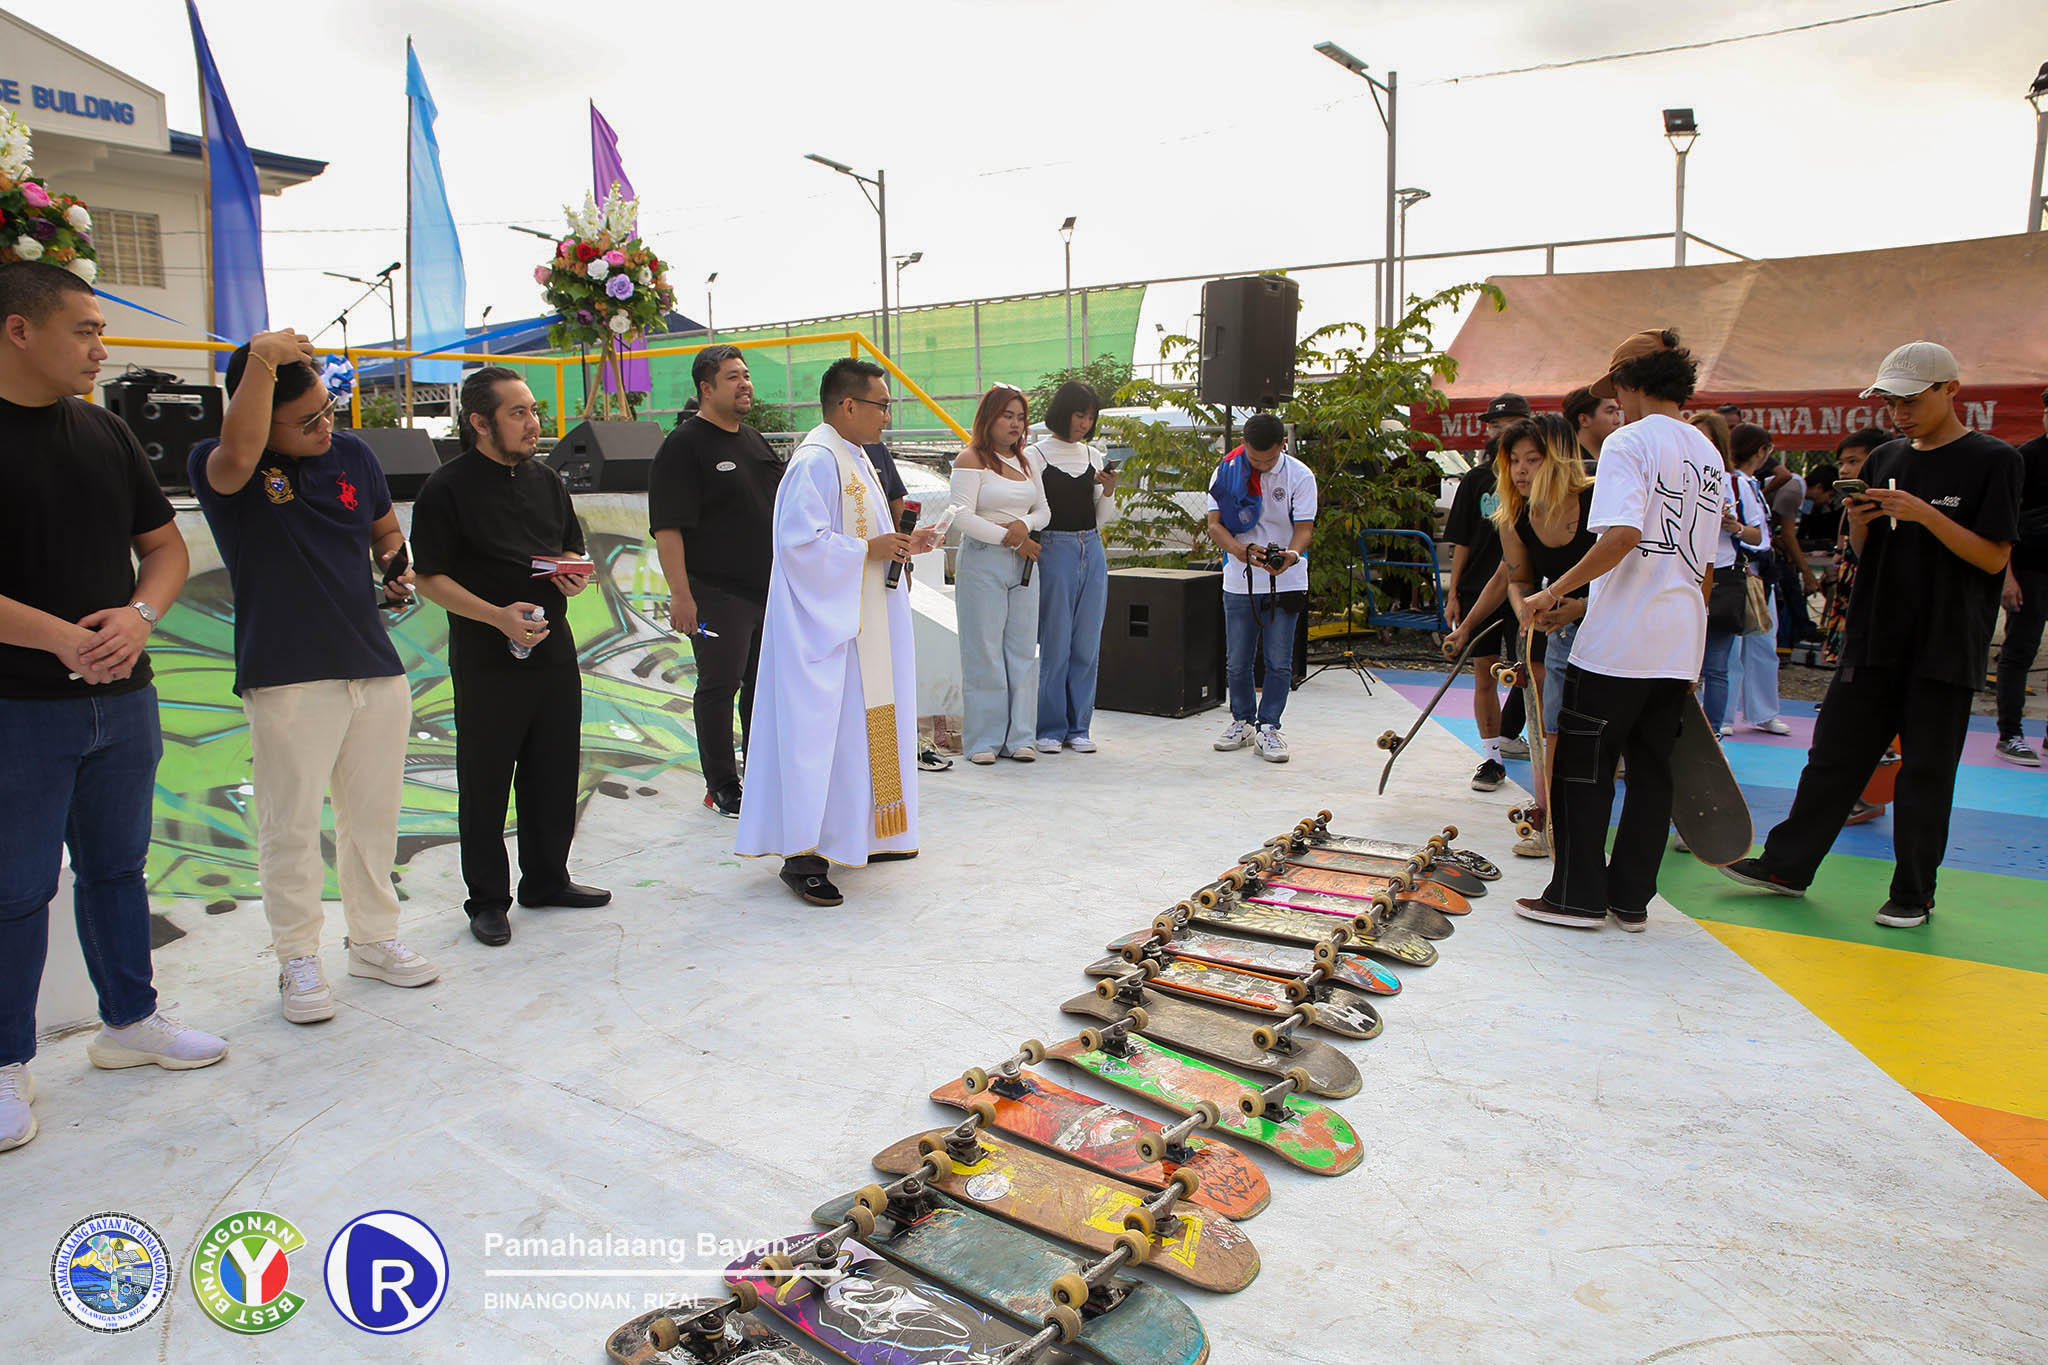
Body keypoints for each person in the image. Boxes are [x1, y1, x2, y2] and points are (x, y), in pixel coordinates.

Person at [0, 261, 226, 1153]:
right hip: (18, 705)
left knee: (117, 870)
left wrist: (139, 617)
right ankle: (7, 1059)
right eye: (84, 330)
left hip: (123, 699)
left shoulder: (105, 432)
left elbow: (164, 547)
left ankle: (129, 1020)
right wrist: (60, 637)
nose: (103, 347)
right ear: (20, 330)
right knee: (15, 890)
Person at [1723, 342, 2021, 927]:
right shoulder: (1885, 457)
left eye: (1911, 399)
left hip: (1945, 641)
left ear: (1949, 390)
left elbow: (1992, 558)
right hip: (1876, 634)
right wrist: (1862, 525)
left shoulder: (1994, 460)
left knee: (1927, 773)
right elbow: (1869, 553)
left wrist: (1926, 514)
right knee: (1833, 757)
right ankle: (1787, 865)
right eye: (1890, 400)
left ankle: (1914, 892)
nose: (1900, 411)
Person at [189, 331, 439, 1022]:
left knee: (374, 820)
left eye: (327, 410)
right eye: (305, 421)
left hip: (372, 664)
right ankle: (298, 955)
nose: (325, 427)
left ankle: (374, 938)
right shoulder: (224, 469)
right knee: (291, 824)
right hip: (287, 673)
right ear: (257, 412)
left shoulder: (353, 454)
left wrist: (395, 566)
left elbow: (387, 530)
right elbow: (236, 455)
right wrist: (262, 357)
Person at [1513, 329, 1722, 931]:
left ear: (1630, 383)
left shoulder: (1628, 442)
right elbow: (1704, 566)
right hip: (1677, 640)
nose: (1616, 405)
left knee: (1584, 766)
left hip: (1618, 645)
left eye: (1616, 391)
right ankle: (1630, 900)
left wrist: (1555, 591)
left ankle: (1576, 897)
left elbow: (1623, 537)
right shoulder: (1708, 452)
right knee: (1653, 774)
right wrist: (1695, 654)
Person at [411, 367, 608, 947]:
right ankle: (488, 900)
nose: (533, 423)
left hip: (552, 645)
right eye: (518, 413)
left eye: (533, 410)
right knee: (487, 776)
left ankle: (547, 879)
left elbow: (569, 543)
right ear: (479, 422)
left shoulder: (547, 480)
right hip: (486, 651)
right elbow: (429, 577)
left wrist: (572, 571)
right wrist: (497, 616)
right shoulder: (445, 490)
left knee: (554, 767)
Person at [735, 358, 939, 905]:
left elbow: (863, 536)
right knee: (818, 739)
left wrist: (903, 545)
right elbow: (799, 546)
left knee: (853, 736)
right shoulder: (817, 460)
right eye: (881, 404)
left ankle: (852, 837)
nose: (887, 416)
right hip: (824, 635)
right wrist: (868, 551)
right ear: (848, 405)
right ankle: (803, 856)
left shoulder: (855, 457)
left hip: (860, 623)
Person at [650, 344, 787, 818]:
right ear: (706, 389)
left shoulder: (754, 441)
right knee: (719, 685)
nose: (744, 383)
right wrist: (682, 595)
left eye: (746, 375)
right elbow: (668, 528)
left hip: (766, 590)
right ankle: (721, 786)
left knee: (761, 686)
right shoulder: (684, 446)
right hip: (715, 593)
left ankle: (762, 771)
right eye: (732, 377)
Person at [1493, 413, 1595, 859]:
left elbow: (1635, 574)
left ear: (1557, 459)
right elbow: (1519, 580)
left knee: (1610, 732)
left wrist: (1584, 606)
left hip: (1616, 626)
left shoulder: (1597, 500)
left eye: (1532, 459)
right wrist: (1527, 612)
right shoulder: (1514, 515)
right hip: (1559, 628)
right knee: (1551, 729)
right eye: (1513, 459)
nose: (1520, 469)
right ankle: (1550, 819)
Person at [1205, 412, 1316, 763]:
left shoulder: (1300, 475)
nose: (1261, 465)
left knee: (1278, 661)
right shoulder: (1227, 471)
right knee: (1237, 661)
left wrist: (1292, 555)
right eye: (1254, 458)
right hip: (1240, 579)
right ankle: (1241, 720)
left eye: (1268, 459)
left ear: (1283, 445)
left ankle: (1269, 727)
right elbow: (1214, 525)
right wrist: (1241, 552)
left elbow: (1305, 527)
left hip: (1287, 580)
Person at [949, 385, 1050, 765]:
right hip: (982, 560)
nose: (1015, 424)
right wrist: (1012, 539)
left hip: (1024, 563)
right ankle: (983, 740)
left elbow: (1043, 511)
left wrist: (1023, 527)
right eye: (1007, 415)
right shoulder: (970, 459)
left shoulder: (1028, 462)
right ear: (989, 417)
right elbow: (961, 516)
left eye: (1020, 417)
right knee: (984, 651)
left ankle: (1022, 736)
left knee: (1023, 650)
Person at [1444, 393, 1534, 788]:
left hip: (1528, 593)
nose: (1500, 431)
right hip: (1481, 587)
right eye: (1495, 426)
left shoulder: (1540, 486)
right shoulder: (1477, 480)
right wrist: (1453, 593)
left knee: (1530, 672)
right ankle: (1492, 757)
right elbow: (1461, 541)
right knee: (1484, 674)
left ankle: (1519, 736)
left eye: (1509, 425)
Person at [1030, 381, 1117, 755]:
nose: (1084, 423)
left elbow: (1101, 518)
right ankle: (1049, 727)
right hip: (1054, 549)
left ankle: (1079, 726)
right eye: (1079, 414)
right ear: (1063, 412)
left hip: (1090, 547)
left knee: (1087, 642)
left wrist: (1110, 490)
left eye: (1090, 416)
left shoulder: (1094, 456)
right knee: (1055, 642)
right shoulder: (1035, 455)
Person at [1695, 413, 1770, 739]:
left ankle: (1713, 734)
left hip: (1724, 576)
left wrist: (1733, 526)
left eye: (1708, 439)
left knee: (1715, 665)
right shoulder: (1672, 476)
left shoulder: (1735, 483)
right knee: (1674, 665)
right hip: (1683, 576)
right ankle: (1675, 734)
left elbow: (1761, 538)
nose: (1700, 445)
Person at [1721, 425, 1791, 735]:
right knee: (1732, 648)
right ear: (1761, 451)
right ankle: (1723, 714)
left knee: (1764, 643)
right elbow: (1742, 530)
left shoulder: (1752, 484)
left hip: (1762, 572)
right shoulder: (1730, 482)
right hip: (1741, 567)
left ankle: (1763, 711)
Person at [1993, 387, 2048, 765]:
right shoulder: (2026, 457)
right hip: (2030, 568)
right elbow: (2002, 521)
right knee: (2019, 651)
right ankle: (2010, 733)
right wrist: (2007, 577)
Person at [1818, 428, 1889, 670]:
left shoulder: (1889, 500)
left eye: (1853, 461)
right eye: (1841, 463)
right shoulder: (1853, 502)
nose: (1845, 469)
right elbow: (1846, 526)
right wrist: (1839, 551)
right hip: (1851, 573)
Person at [1563, 385, 1624, 472]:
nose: (1617, 421)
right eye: (1610, 412)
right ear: (1584, 420)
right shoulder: (1567, 466)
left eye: (1617, 413)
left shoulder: (1620, 457)